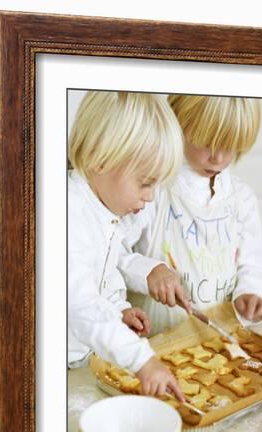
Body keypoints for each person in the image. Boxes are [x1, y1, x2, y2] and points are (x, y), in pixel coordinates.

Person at [68, 91, 189, 401]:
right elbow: (79, 305)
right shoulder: (68, 213)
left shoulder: (104, 206)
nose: (150, 197)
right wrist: (143, 362)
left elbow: (105, 267)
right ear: (100, 158)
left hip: (88, 358)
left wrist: (118, 310)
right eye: (145, 182)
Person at [121, 94, 262, 336]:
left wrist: (250, 294)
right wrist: (147, 271)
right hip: (154, 344)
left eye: (229, 145)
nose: (218, 157)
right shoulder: (153, 189)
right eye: (206, 142)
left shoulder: (242, 198)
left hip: (220, 344)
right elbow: (111, 255)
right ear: (179, 125)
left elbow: (252, 266)